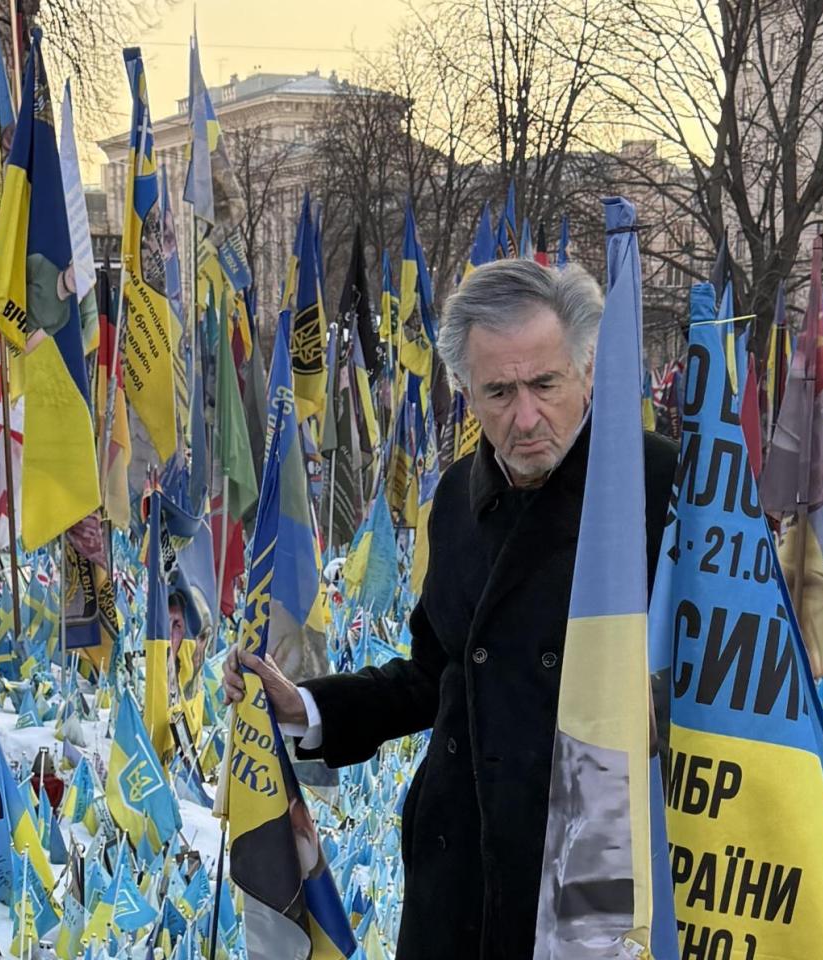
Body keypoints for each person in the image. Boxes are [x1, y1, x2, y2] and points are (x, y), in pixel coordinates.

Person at [223, 258, 677, 958]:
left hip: (590, 882)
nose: (525, 417)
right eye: (499, 391)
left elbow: (725, 685)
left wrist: (661, 707)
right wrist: (307, 708)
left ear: (588, 372)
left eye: (545, 384)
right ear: (465, 392)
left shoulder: (661, 487)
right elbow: (435, 677)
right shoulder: (459, 499)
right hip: (458, 874)